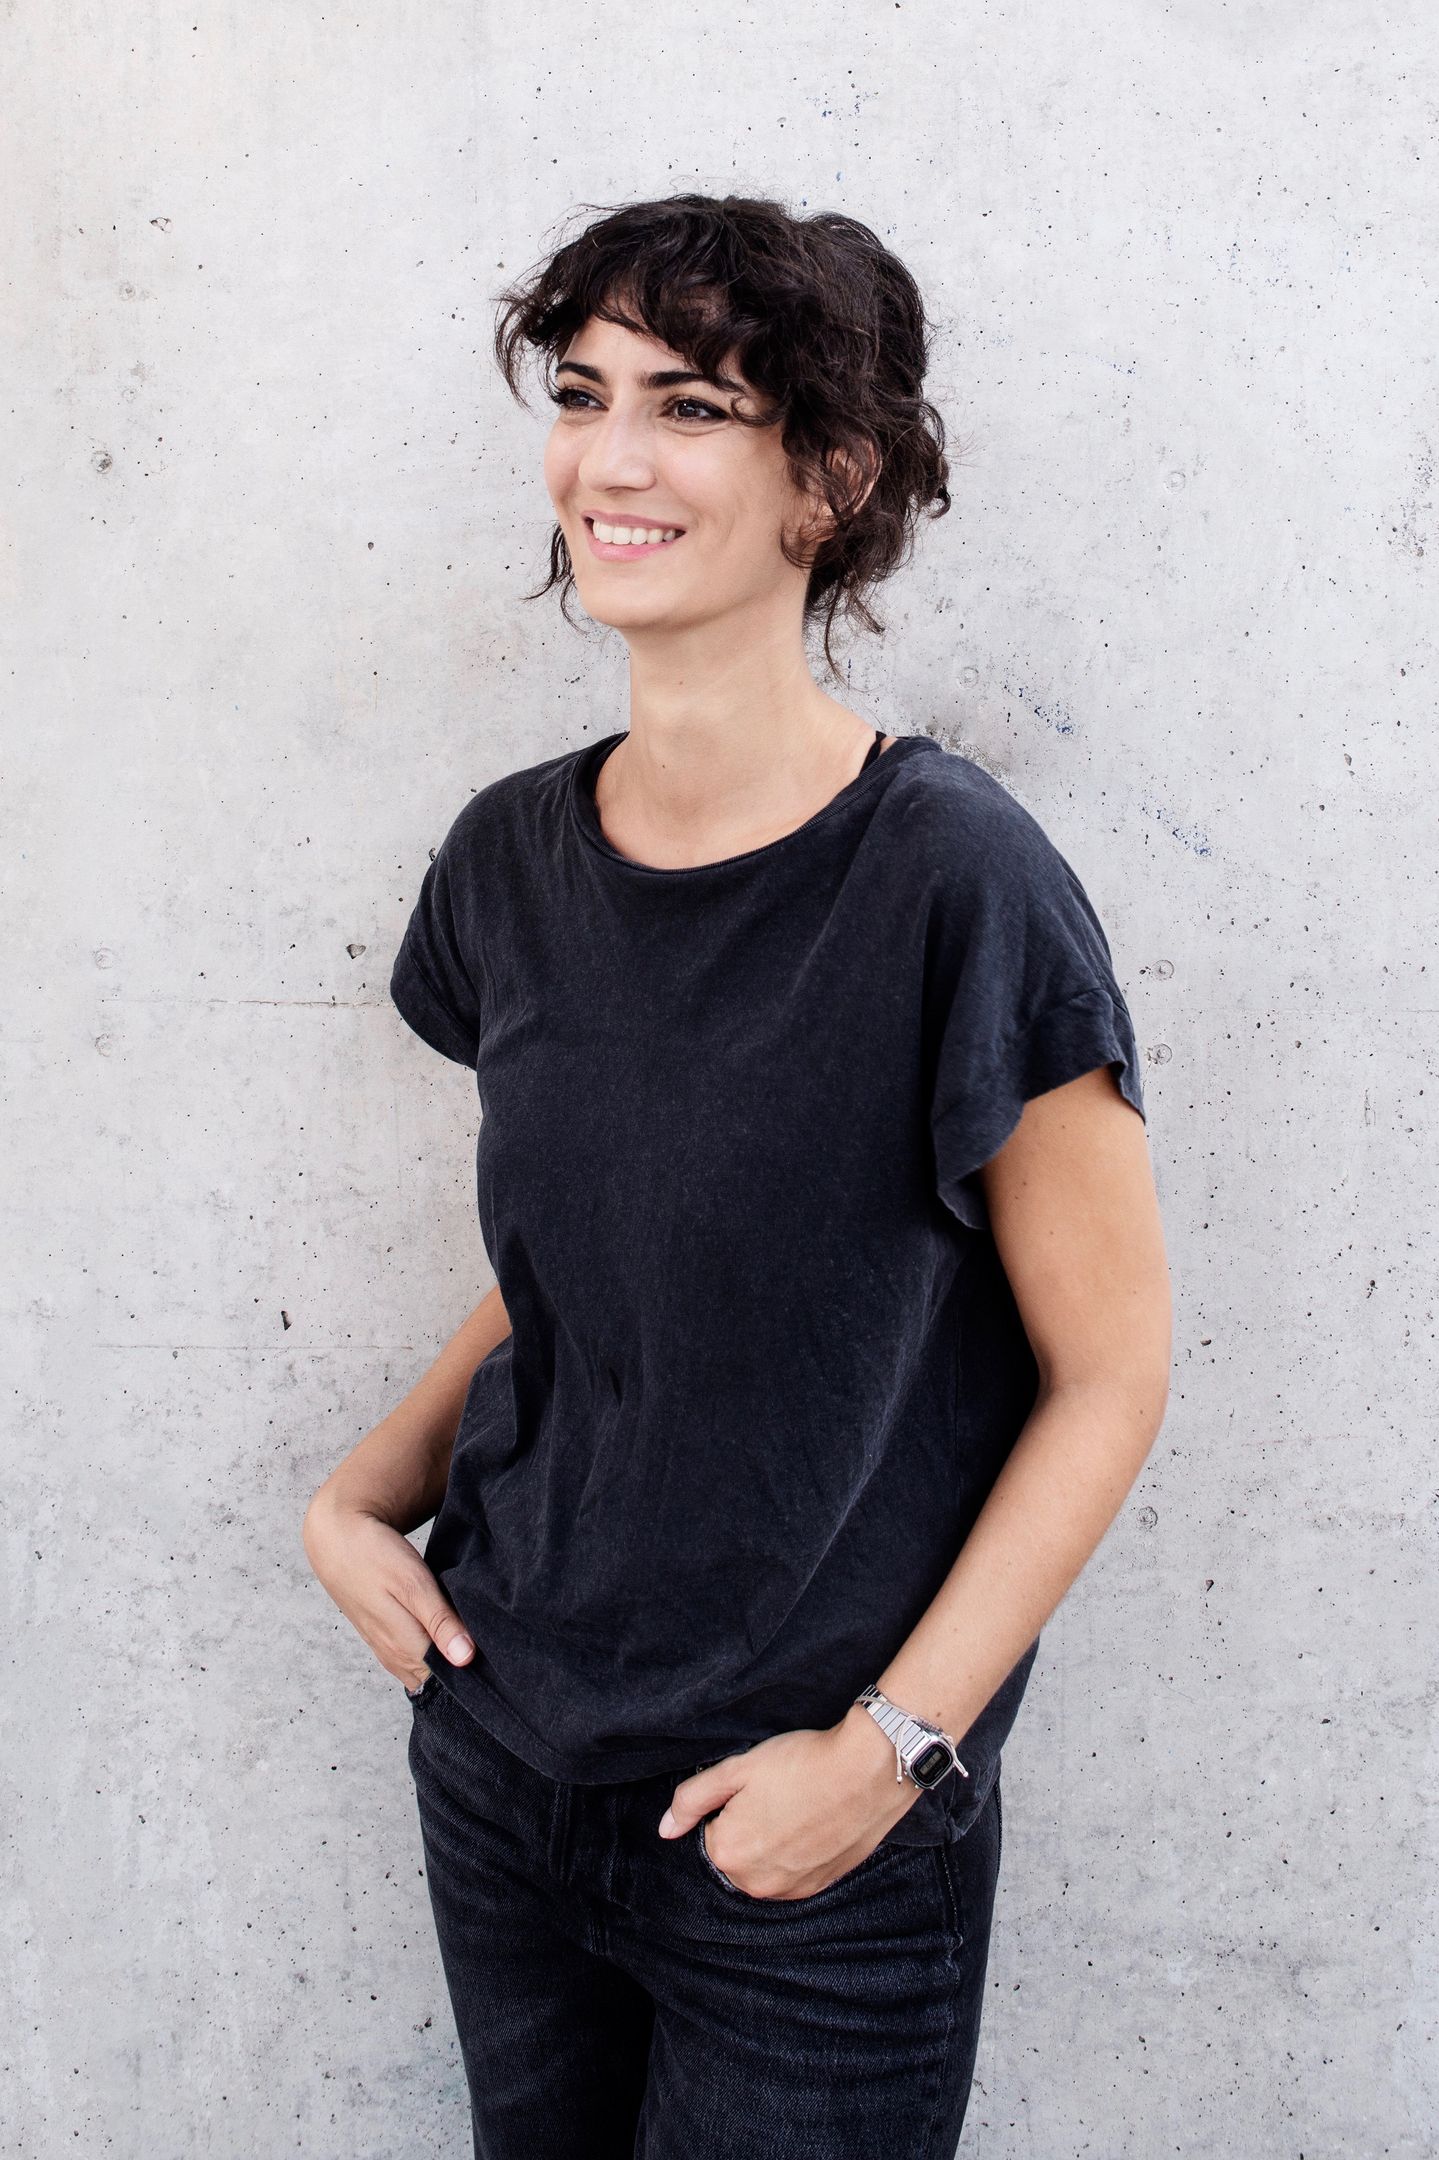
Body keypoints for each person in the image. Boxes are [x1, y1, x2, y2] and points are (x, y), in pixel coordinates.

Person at [303, 193, 1172, 2159]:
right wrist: (359, 1496)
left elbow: (1111, 1374)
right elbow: (588, 1264)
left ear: (832, 479)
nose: (610, 458)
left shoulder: (956, 881)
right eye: (582, 393)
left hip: (806, 1852)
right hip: (508, 1767)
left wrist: (890, 1754)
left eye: (691, 407)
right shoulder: (506, 864)